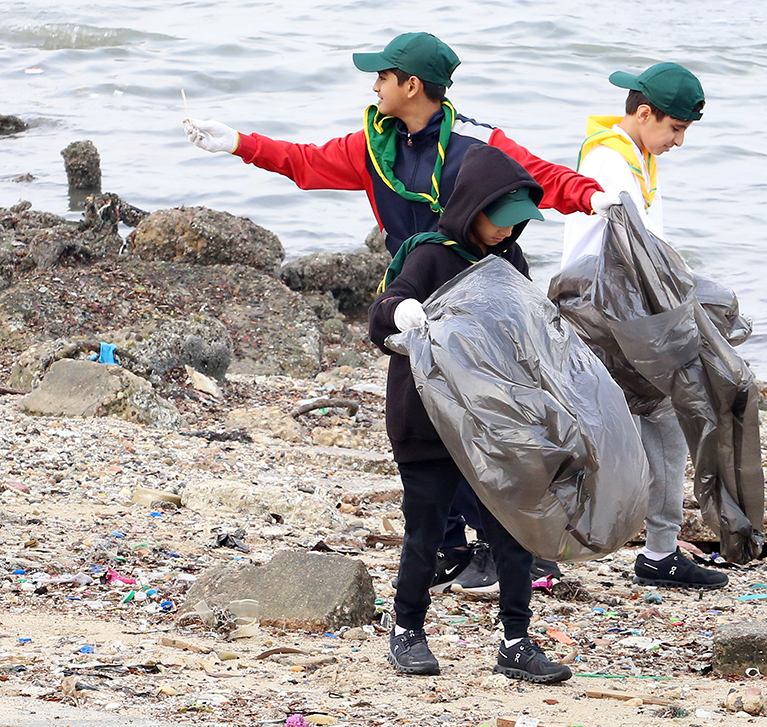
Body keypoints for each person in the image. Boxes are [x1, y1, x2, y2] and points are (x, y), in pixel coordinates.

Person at [183, 31, 611, 595]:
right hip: (414, 293)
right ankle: (451, 548)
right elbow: (304, 164)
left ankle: (525, 554)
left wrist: (593, 196)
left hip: (484, 294)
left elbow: (538, 179)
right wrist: (239, 141)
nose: (375, 84)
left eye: (383, 76)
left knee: (485, 423)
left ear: (413, 85)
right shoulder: (374, 145)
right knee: (426, 422)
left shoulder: (475, 143)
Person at [368, 143, 572, 683]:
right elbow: (381, 316)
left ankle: (516, 641)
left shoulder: (509, 262)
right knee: (427, 529)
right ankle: (407, 629)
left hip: (491, 422)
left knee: (512, 532)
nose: (507, 232)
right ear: (469, 206)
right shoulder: (430, 254)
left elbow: (523, 331)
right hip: (428, 420)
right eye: (497, 220)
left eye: (515, 224)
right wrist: (401, 313)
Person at [561, 62, 729, 590]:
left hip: (636, 312)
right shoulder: (609, 161)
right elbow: (627, 253)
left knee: (664, 425)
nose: (679, 141)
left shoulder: (637, 156)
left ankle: (660, 552)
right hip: (606, 315)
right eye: (675, 129)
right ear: (643, 113)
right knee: (610, 436)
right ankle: (548, 547)